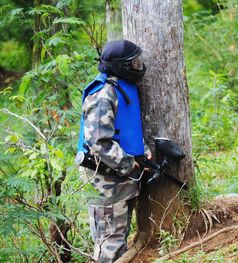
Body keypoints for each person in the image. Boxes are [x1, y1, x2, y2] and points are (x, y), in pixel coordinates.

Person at [76, 39, 151, 262]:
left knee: (119, 233)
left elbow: (126, 128)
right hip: (105, 178)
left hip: (119, 174)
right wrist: (128, 163)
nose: (139, 67)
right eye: (134, 63)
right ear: (121, 65)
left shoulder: (121, 87)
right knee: (109, 240)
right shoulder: (103, 94)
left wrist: (142, 150)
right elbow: (98, 143)